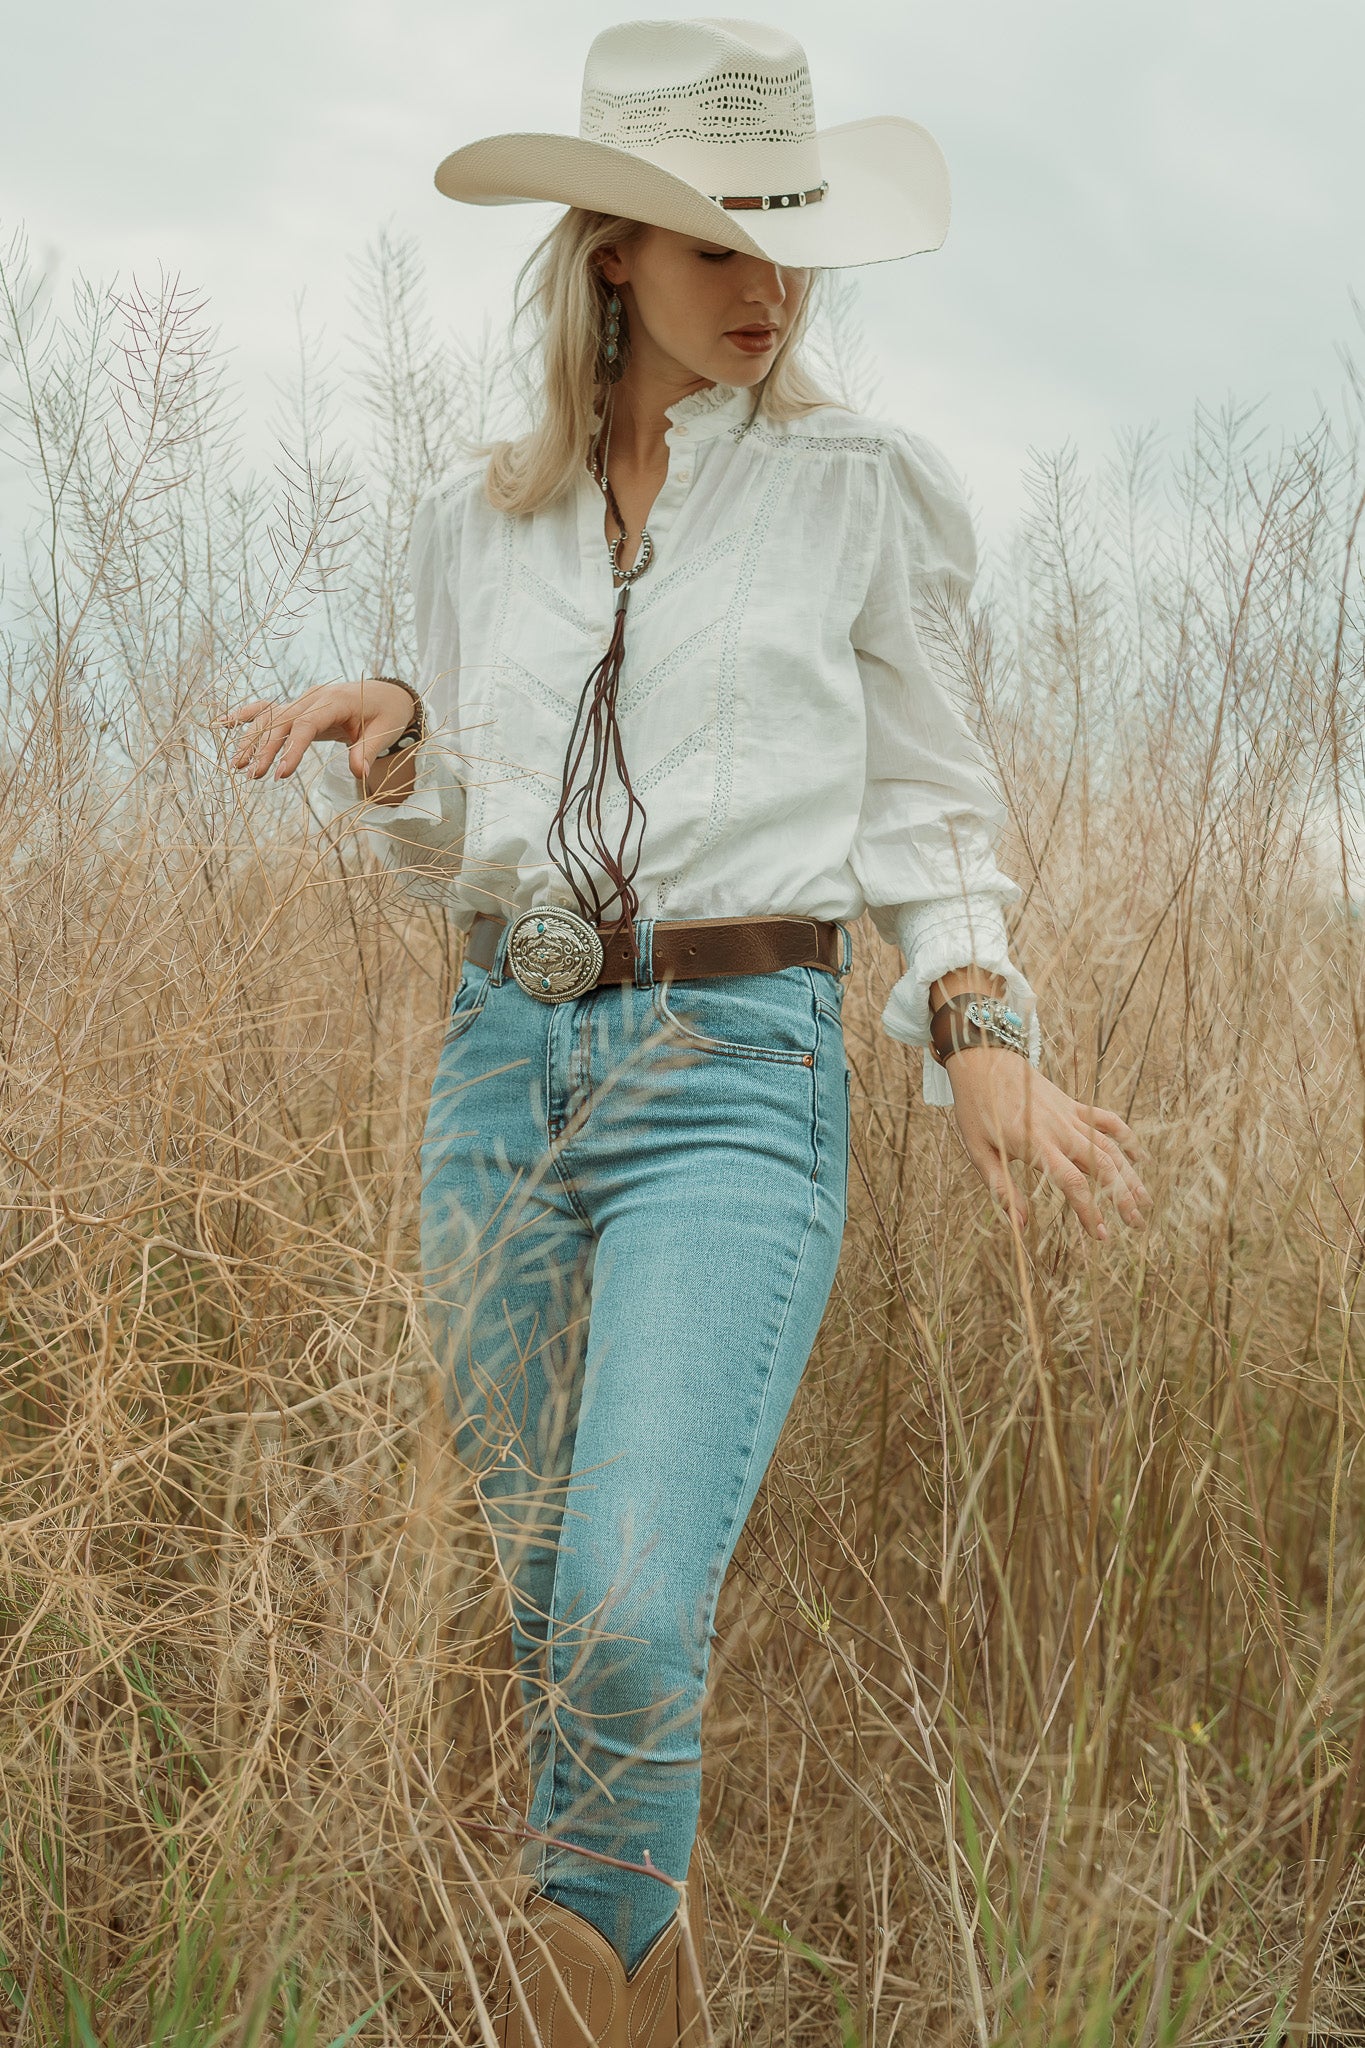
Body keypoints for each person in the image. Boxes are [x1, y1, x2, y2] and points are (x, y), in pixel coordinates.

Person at [221, 19, 1149, 2043]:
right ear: (608, 253)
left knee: (632, 1611)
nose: (765, 286)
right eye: (714, 242)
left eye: (785, 242)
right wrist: (400, 763)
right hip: (501, 1080)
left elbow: (925, 803)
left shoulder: (860, 493)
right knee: (561, 1629)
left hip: (735, 1083)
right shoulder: (478, 524)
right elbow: (484, 837)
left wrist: (972, 1018)